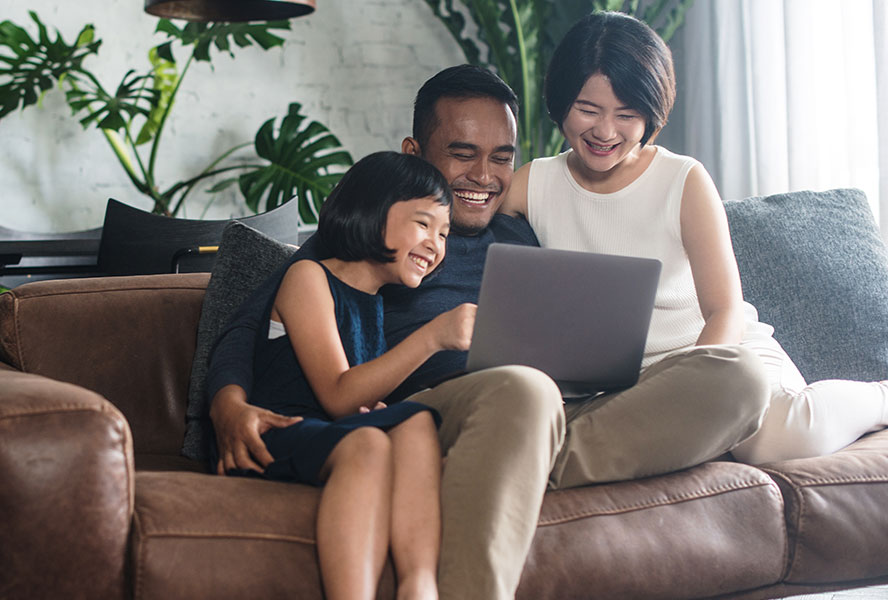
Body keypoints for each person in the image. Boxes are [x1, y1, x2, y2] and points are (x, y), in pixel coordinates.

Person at [207, 64, 765, 599]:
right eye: (463, 154)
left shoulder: (522, 233)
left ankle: (519, 460)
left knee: (740, 379)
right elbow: (250, 318)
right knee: (523, 389)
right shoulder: (383, 232)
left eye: (502, 158)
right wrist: (227, 404)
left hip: (554, 409)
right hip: (443, 413)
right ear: (415, 154)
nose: (484, 176)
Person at [501, 11, 888, 466]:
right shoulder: (532, 185)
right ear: (561, 101)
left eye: (626, 115)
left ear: (652, 114)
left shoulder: (682, 179)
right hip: (621, 385)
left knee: (772, 439)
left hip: (720, 356)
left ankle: (881, 396)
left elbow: (724, 310)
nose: (605, 132)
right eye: (588, 110)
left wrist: (695, 389)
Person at [247, 151, 467, 600]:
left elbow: (356, 397)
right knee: (369, 440)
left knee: (416, 420)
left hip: (328, 435)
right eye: (424, 224)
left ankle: (419, 586)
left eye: (444, 234)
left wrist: (374, 410)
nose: (435, 244)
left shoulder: (375, 302)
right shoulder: (308, 277)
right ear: (372, 211)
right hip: (276, 433)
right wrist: (434, 336)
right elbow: (337, 395)